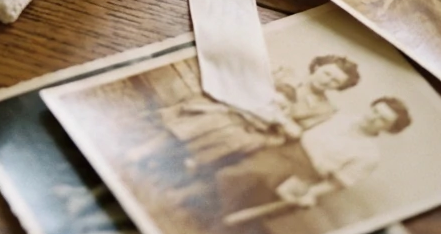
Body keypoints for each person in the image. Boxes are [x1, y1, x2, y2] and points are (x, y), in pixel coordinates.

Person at [137, 55, 360, 172]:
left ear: (338, 88)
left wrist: (280, 118)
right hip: (236, 108)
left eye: (335, 81)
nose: (327, 80)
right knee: (216, 118)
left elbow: (295, 133)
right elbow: (246, 84)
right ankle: (150, 149)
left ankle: (168, 160)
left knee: (235, 136)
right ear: (318, 67)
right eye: (327, 73)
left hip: (261, 130)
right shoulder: (285, 72)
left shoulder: (324, 109)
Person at [216, 97, 412, 218]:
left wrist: (312, 193)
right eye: (375, 111)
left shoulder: (369, 155)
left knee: (254, 180)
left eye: (382, 119)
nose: (373, 117)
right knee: (241, 165)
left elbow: (338, 182)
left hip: (306, 172)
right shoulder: (339, 116)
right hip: (287, 147)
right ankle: (205, 197)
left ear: (390, 129)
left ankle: (212, 211)